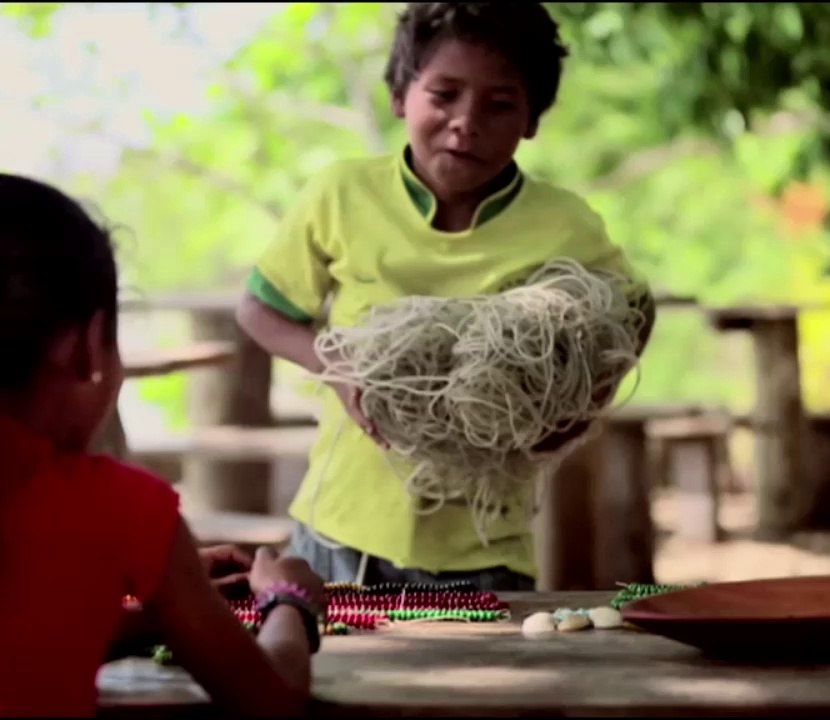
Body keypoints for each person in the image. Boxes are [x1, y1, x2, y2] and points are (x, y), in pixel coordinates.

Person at [0, 173, 326, 718]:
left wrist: (165, 607)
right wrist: (290, 602)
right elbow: (272, 701)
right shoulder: (117, 505)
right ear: (88, 347)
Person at [236, 2, 655, 592]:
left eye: (500, 104)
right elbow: (260, 310)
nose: (467, 121)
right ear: (400, 96)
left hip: (485, 548)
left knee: (472, 687)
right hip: (339, 531)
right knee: (334, 680)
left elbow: (634, 313)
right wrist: (337, 368)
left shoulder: (564, 224)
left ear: (532, 118)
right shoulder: (342, 193)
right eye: (444, 95)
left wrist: (575, 414)